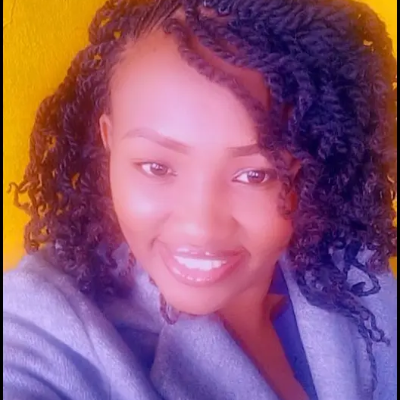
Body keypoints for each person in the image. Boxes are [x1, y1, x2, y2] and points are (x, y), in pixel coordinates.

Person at [3, 0, 397, 399]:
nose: (200, 226)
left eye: (255, 174)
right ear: (109, 142)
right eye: (156, 167)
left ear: (303, 167)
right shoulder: (44, 322)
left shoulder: (351, 269)